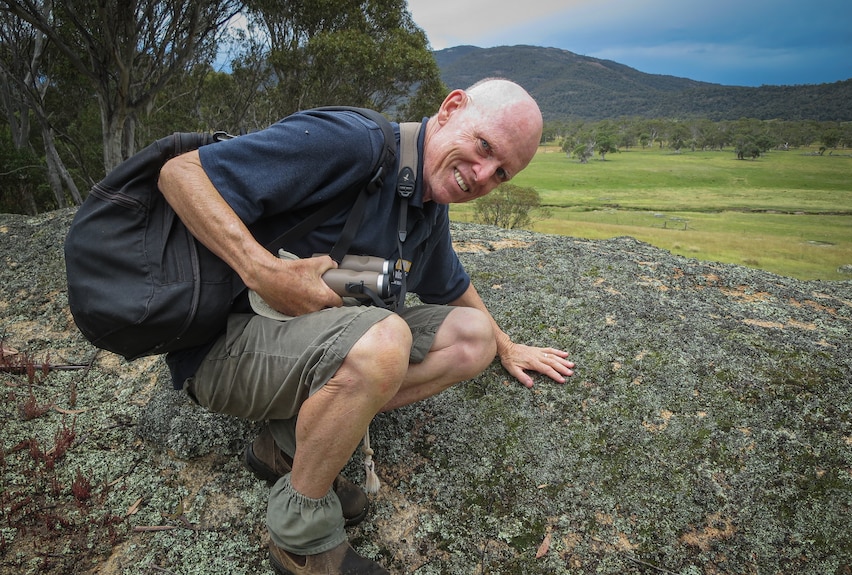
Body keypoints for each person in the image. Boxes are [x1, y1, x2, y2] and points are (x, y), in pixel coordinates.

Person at [157, 78, 574, 575]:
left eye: (501, 173)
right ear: (451, 107)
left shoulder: (425, 201)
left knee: (473, 339)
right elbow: (179, 174)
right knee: (385, 338)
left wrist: (505, 346)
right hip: (223, 348)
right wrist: (261, 269)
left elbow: (449, 284)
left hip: (293, 347)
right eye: (485, 147)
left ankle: (284, 446)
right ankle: (300, 538)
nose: (483, 175)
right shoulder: (353, 142)